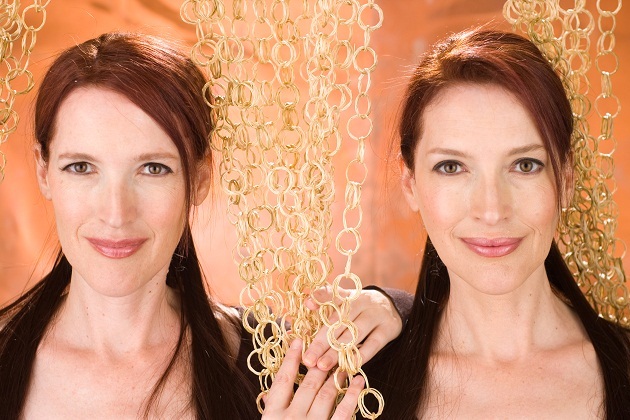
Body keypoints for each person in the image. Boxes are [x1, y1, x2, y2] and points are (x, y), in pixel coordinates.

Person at [0, 32, 409, 419]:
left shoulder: (278, 364)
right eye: (81, 167)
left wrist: (397, 310)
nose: (116, 213)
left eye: (153, 168)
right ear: (43, 172)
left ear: (199, 178)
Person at [358, 28, 630, 419]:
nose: (491, 210)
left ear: (566, 181)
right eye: (451, 167)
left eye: (525, 165)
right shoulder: (351, 386)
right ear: (411, 184)